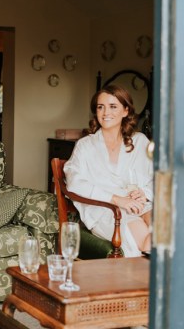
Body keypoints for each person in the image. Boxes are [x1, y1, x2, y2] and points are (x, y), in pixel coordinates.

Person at [64, 85, 153, 257]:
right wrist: (117, 200)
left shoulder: (140, 141)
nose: (106, 113)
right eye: (100, 107)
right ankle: (141, 280)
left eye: (113, 106)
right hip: (106, 211)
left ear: (125, 111)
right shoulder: (85, 146)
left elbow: (159, 178)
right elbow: (74, 183)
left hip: (140, 205)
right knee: (146, 241)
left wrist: (145, 193)